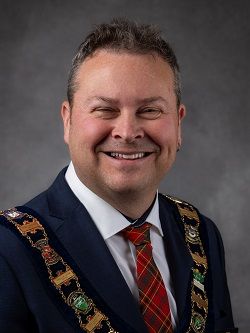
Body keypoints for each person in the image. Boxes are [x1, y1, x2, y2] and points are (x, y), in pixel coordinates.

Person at [0, 18, 237, 333]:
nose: (127, 132)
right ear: (67, 122)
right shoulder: (8, 248)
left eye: (150, 110)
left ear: (178, 124)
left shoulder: (202, 235)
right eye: (104, 110)